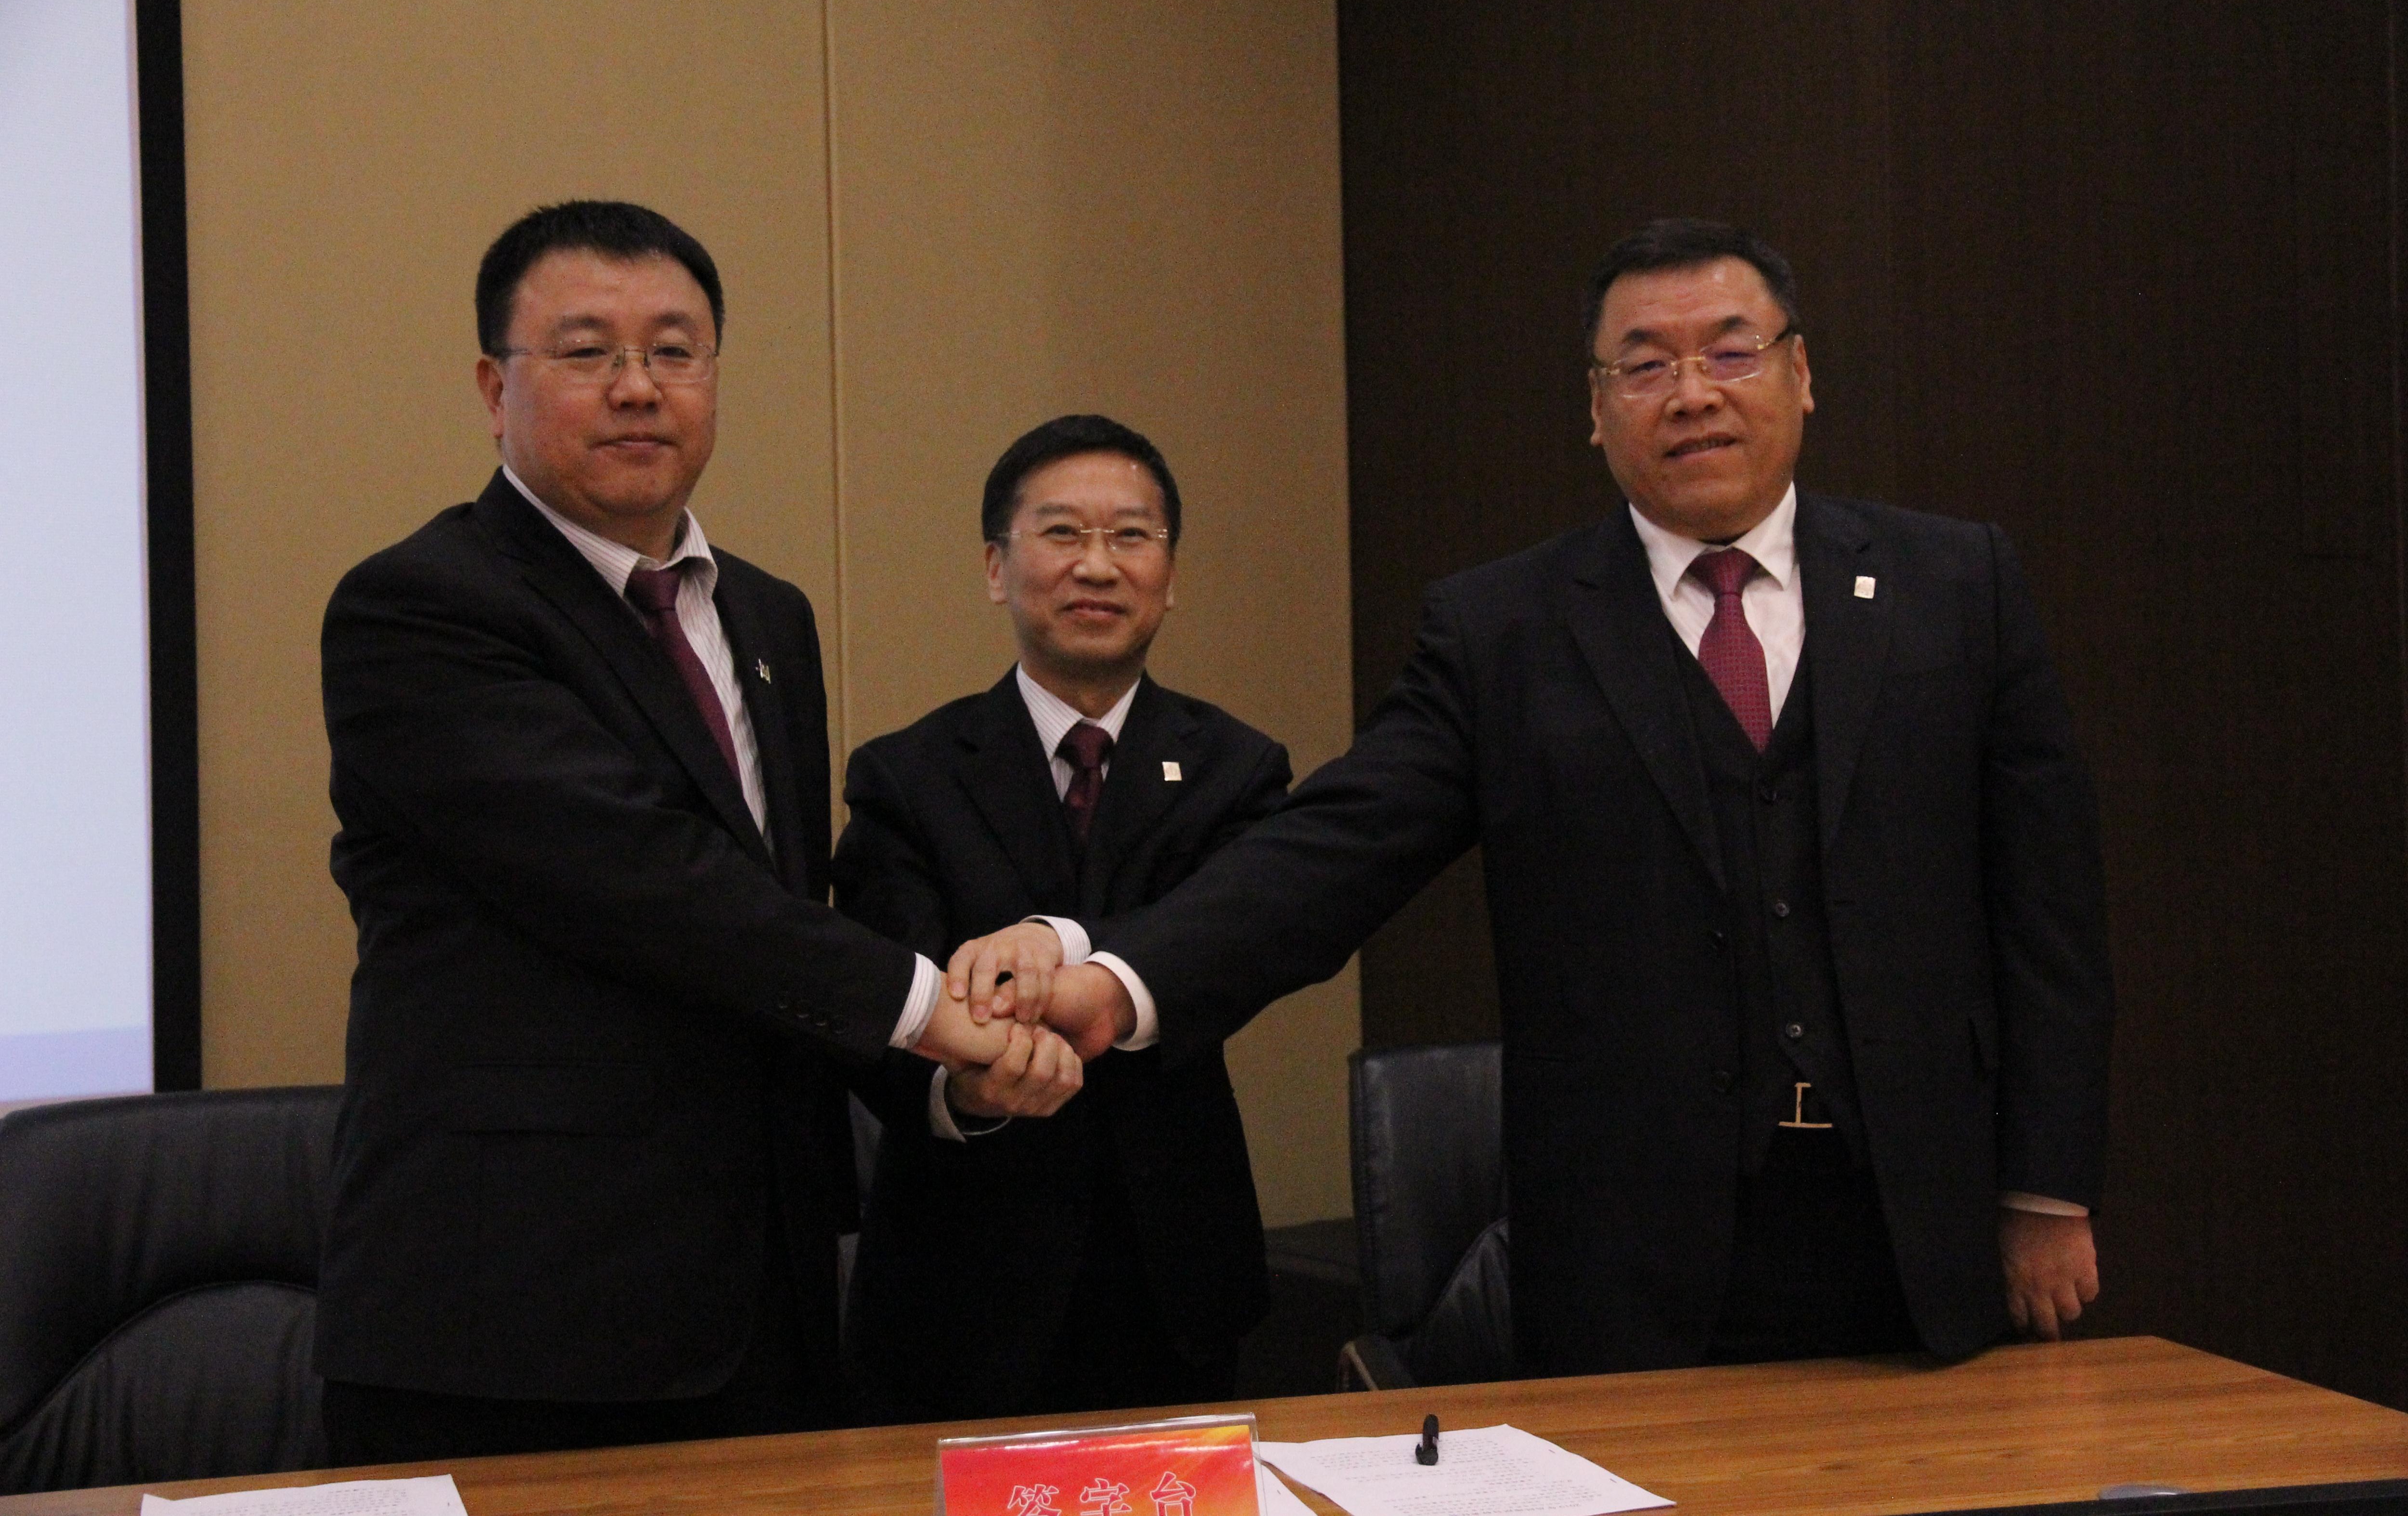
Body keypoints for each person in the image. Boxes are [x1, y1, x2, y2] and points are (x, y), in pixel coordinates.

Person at [958, 218, 2116, 1374]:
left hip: (1924, 1229)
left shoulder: (1954, 584)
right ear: (1597, 407)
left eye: (1730, 352)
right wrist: (1118, 977)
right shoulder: (1503, 629)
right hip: (1634, 1260)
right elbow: (1331, 851)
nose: (1693, 394)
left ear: (1800, 373)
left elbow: (2048, 913)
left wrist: (2048, 1188)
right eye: (1644, 365)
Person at [313, 200, 1064, 1462]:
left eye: (675, 350)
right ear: (495, 387)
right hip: (514, 1317)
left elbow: (781, 925)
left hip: (764, 1299)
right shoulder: (421, 607)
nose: (637, 387)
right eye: (587, 351)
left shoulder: (769, 618)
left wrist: (948, 1080)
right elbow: (649, 882)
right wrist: (936, 1008)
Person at [834, 416, 1292, 1423]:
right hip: (955, 1277)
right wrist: (966, 1084)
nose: (1097, 565)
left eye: (1130, 535)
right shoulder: (907, 774)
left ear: (1169, 574)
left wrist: (1061, 945)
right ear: (996, 567)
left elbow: (1229, 941)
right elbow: (879, 985)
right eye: (1061, 533)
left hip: (1172, 1273)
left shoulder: (1236, 767)